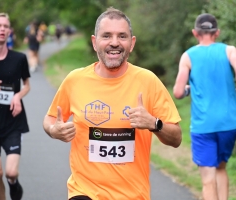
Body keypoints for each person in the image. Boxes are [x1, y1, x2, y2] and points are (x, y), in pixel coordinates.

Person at [43, 7, 182, 200]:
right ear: (95, 42)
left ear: (131, 43)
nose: (114, 43)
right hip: (84, 191)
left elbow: (176, 138)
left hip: (133, 194)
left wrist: (154, 123)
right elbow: (50, 119)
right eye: (107, 36)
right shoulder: (75, 80)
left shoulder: (148, 81)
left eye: (122, 36)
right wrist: (53, 130)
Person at [173, 13, 236, 200]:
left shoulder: (188, 56)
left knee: (208, 179)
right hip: (229, 123)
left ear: (195, 33)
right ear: (217, 33)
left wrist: (189, 89)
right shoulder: (229, 50)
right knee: (221, 168)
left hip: (203, 125)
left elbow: (178, 92)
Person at [0, 13, 31, 200]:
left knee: (11, 173)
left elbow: (27, 85)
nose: (2, 29)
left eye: (5, 26)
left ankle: (13, 183)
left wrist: (18, 96)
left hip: (13, 122)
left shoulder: (19, 58)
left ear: (9, 31)